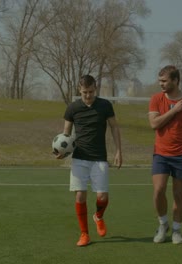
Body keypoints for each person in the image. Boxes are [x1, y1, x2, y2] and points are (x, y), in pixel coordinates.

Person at [55, 74, 122, 247]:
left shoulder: (105, 105)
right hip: (79, 158)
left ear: (95, 89)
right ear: (80, 90)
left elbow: (114, 127)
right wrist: (63, 152)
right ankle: (84, 234)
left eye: (91, 92)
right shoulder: (72, 108)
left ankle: (98, 216)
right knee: (80, 195)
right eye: (85, 92)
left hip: (99, 157)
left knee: (102, 197)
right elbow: (66, 135)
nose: (88, 95)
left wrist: (118, 151)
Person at [148, 65, 182, 244]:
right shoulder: (156, 99)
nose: (161, 84)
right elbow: (154, 124)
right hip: (161, 154)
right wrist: (175, 110)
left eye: (164, 81)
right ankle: (163, 224)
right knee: (158, 190)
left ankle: (177, 230)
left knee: (179, 194)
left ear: (175, 80)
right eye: (160, 80)